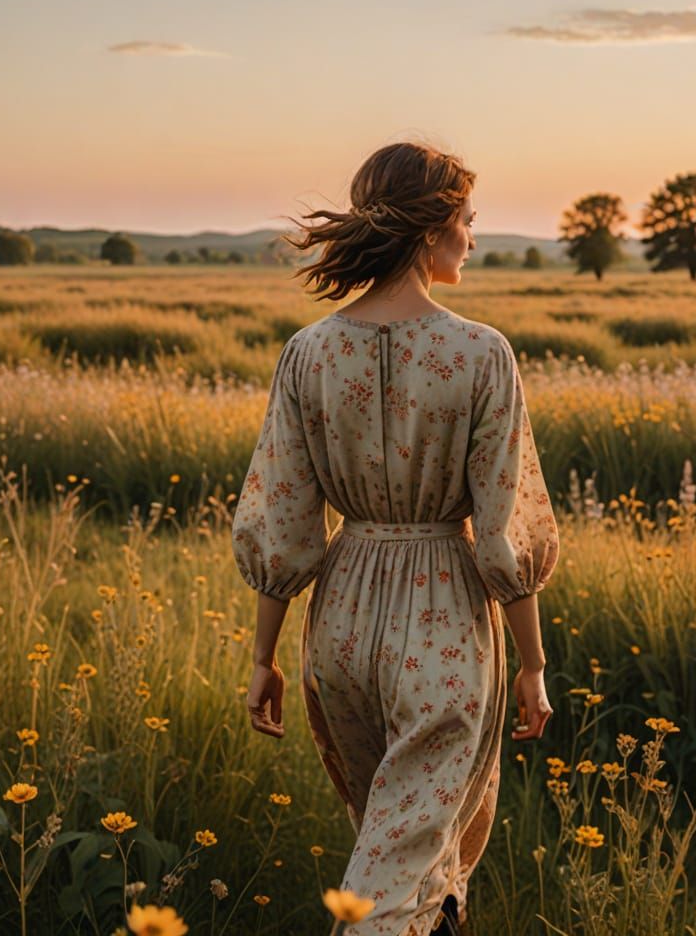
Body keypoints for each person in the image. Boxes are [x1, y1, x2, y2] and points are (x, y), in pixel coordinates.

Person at [231, 140, 560, 936]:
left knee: (406, 849)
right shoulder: (481, 353)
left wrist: (262, 658)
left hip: (339, 622)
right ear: (432, 227)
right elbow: (505, 533)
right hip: (443, 616)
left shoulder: (308, 353)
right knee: (399, 869)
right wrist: (534, 664)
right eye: (468, 220)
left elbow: (282, 519)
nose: (474, 239)